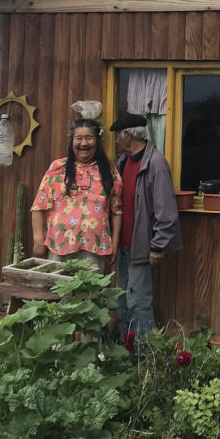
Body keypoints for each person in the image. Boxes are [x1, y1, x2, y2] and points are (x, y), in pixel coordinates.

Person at [110, 112, 182, 337]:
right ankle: (126, 353)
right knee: (122, 299)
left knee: (138, 303)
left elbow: (167, 212)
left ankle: (144, 357)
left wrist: (158, 246)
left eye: (117, 137)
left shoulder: (155, 164)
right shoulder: (123, 162)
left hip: (142, 248)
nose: (115, 141)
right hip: (124, 246)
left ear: (128, 136)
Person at [30, 118, 122, 272]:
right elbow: (39, 205)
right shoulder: (57, 168)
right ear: (72, 141)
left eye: (89, 138)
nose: (83, 144)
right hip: (59, 245)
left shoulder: (109, 171)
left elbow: (117, 211)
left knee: (88, 293)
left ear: (97, 141)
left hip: (95, 247)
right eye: (78, 138)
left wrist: (115, 243)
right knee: (58, 291)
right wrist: (38, 239)